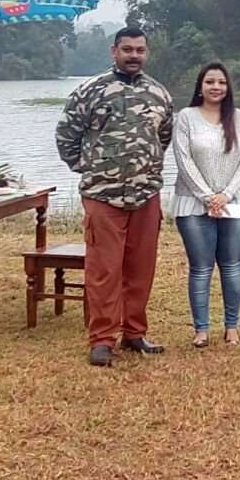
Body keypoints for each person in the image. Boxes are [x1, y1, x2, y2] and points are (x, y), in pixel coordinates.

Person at [55, 27, 173, 367]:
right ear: (114, 51)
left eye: (140, 50)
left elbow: (163, 137)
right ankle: (102, 339)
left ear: (146, 53)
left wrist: (144, 169)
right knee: (104, 270)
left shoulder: (159, 93)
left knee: (141, 268)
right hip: (102, 196)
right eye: (127, 49)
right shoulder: (90, 91)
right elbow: (66, 137)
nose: (134, 55)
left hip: (146, 193)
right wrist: (91, 167)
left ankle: (134, 333)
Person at [171, 62, 240, 348]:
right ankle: (201, 330)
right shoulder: (186, 117)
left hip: (234, 203)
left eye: (221, 82)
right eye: (210, 82)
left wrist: (227, 195)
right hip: (193, 203)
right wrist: (208, 196)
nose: (216, 87)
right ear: (200, 86)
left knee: (231, 266)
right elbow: (183, 160)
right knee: (201, 268)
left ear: (228, 87)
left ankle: (232, 327)